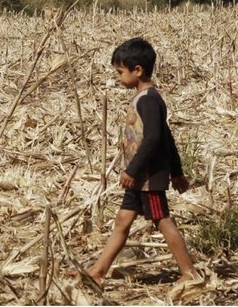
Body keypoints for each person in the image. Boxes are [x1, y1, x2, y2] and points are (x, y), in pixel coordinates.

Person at [85, 37, 200, 289]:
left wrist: (132, 170)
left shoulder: (148, 99)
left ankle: (189, 272)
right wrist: (177, 171)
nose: (118, 77)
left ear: (137, 71)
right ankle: (98, 271)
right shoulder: (143, 98)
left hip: (148, 179)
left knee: (162, 220)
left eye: (120, 72)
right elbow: (167, 136)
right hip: (140, 180)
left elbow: (156, 138)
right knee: (123, 221)